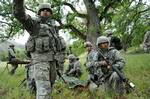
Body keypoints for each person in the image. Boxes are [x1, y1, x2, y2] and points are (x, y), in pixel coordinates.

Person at [13, 1, 62, 98]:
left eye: (48, 10)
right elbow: (19, 14)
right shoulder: (33, 24)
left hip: (52, 61)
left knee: (50, 85)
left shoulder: (53, 28)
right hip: (40, 61)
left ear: (51, 13)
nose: (45, 11)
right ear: (39, 12)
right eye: (42, 10)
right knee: (44, 89)